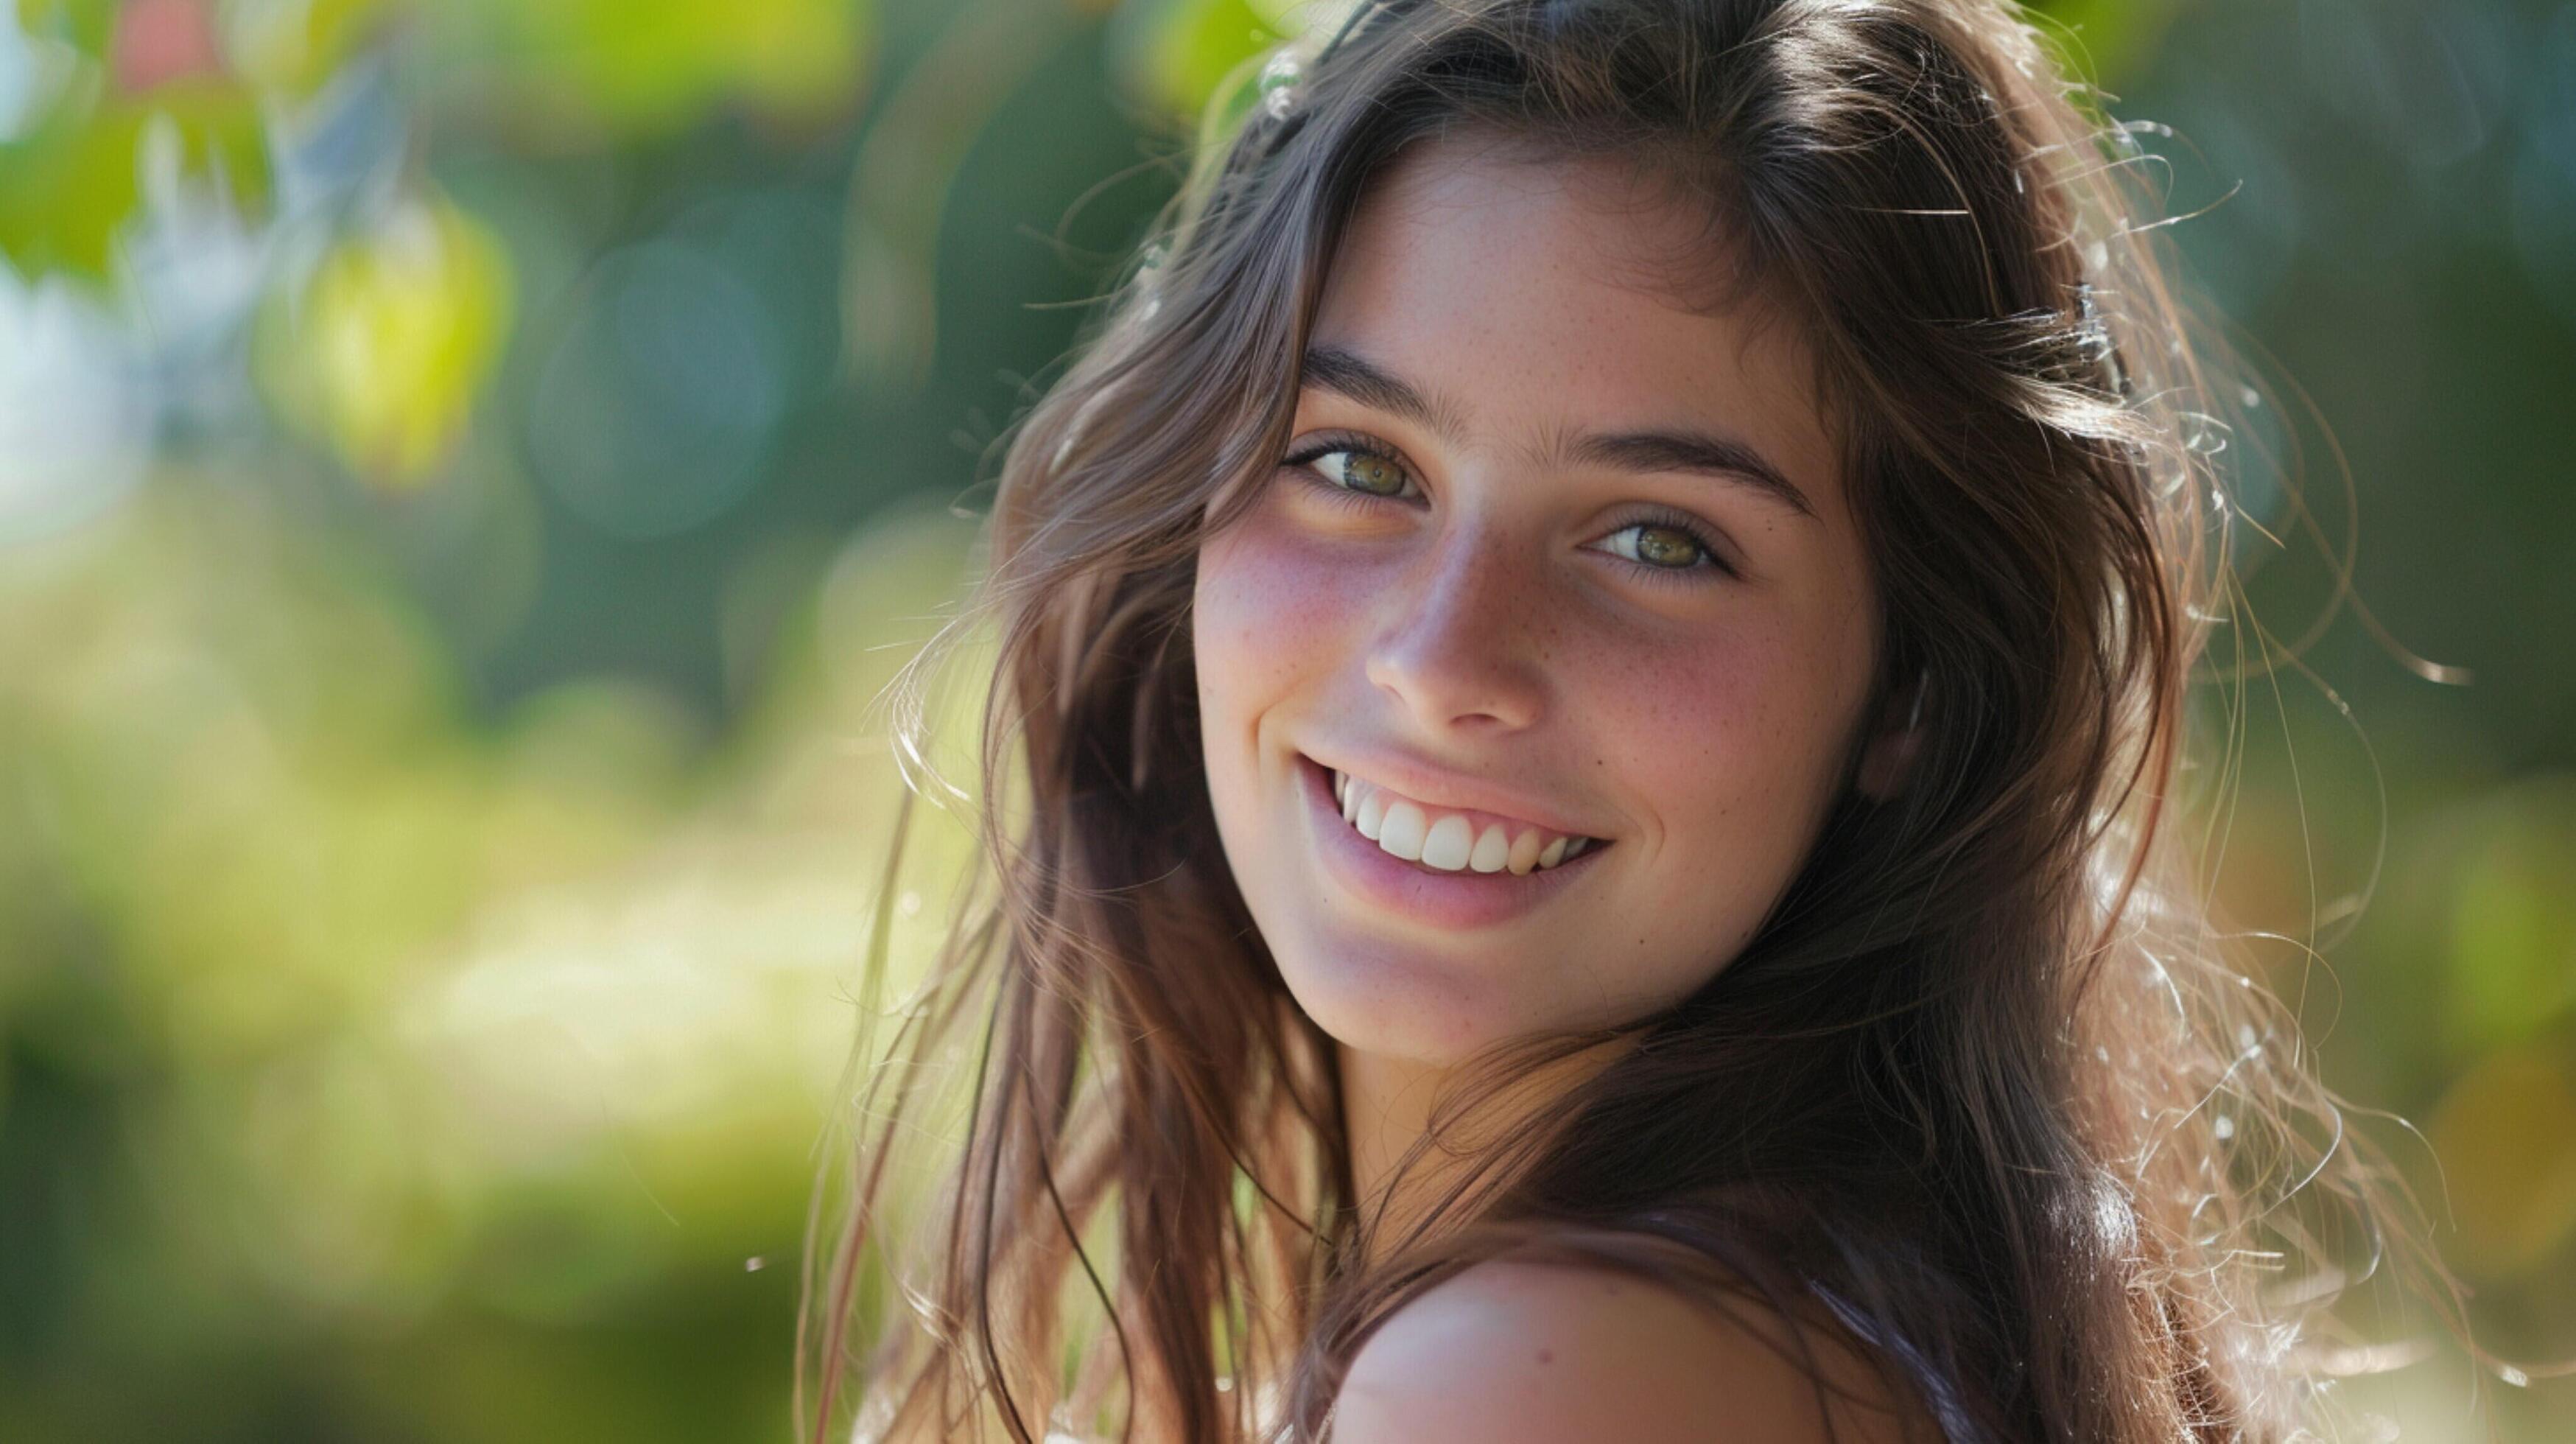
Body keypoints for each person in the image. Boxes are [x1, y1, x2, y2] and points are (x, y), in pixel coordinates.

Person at [799, 2, 2468, 1440]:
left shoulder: (1538, 1382)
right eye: (1358, 464)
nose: (1448, 655)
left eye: (1660, 539)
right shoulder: (1783, 1325)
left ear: (1913, 689)